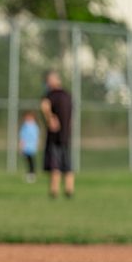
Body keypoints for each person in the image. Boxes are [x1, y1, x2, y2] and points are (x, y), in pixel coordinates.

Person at [40, 70, 74, 198]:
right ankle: (65, 190)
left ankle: (58, 191)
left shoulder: (50, 95)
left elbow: (44, 106)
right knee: (64, 163)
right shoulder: (67, 95)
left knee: (58, 163)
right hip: (64, 135)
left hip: (57, 136)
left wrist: (49, 118)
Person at [19, 111, 40, 183]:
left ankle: (32, 174)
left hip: (32, 147)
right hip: (26, 147)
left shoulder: (35, 126)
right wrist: (21, 146)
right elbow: (22, 137)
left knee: (32, 161)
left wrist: (37, 144)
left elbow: (36, 137)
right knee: (28, 161)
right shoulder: (25, 126)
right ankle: (29, 173)